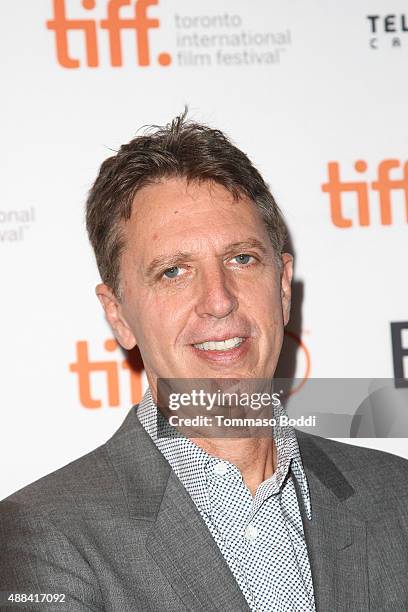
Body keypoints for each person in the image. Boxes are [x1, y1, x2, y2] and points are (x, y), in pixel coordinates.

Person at [1, 111, 408, 612]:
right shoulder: (43, 536)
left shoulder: (397, 498)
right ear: (118, 314)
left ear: (282, 287)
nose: (218, 300)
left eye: (242, 259)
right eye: (173, 271)